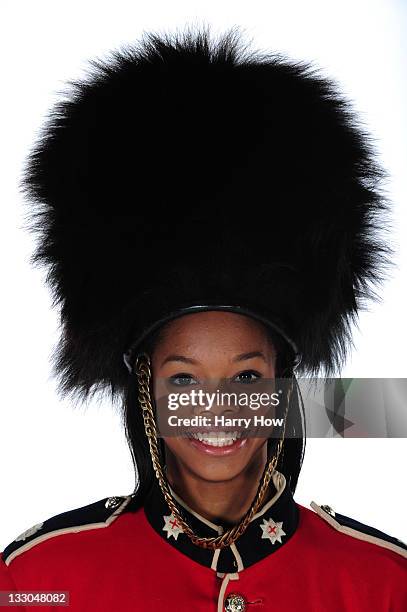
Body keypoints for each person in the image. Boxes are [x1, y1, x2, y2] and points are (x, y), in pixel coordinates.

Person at [1, 25, 406, 612]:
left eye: (246, 378)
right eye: (184, 379)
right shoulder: (40, 582)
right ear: (144, 385)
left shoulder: (386, 586)